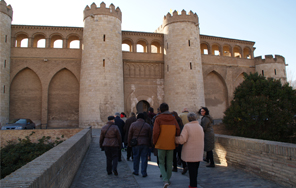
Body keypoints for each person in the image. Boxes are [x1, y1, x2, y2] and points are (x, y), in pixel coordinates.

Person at [153, 103, 180, 188]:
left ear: (160, 110)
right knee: (169, 163)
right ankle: (168, 179)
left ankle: (165, 180)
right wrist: (175, 140)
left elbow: (155, 132)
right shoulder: (173, 118)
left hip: (161, 144)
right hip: (171, 144)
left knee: (161, 162)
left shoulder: (158, 119)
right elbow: (178, 129)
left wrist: (154, 141)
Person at [175, 112, 204, 188]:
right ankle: (194, 184)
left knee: (192, 170)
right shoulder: (199, 126)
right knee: (195, 170)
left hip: (191, 152)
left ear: (188, 119)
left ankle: (192, 185)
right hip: (198, 151)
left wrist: (175, 139)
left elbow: (182, 139)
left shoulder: (187, 126)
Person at [128, 113, 152, 177]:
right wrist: (150, 144)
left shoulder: (133, 124)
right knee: (144, 158)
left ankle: (136, 171)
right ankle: (144, 172)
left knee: (136, 157)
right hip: (145, 143)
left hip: (136, 143)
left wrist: (129, 143)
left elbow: (130, 135)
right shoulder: (147, 125)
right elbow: (150, 136)